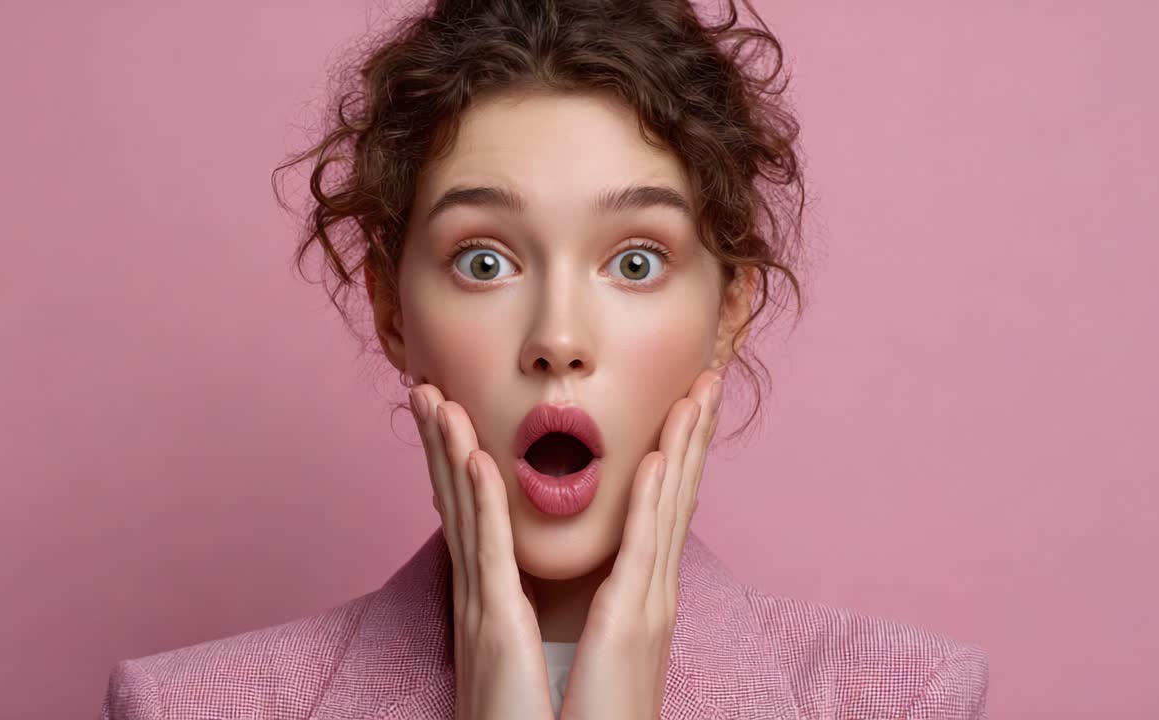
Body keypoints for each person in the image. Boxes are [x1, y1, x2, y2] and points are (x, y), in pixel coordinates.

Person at [101, 0, 989, 718]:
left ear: (728, 309)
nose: (558, 339)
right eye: (484, 261)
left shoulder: (904, 700)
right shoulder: (183, 708)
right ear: (390, 309)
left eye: (635, 262)